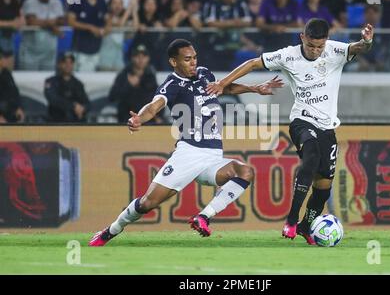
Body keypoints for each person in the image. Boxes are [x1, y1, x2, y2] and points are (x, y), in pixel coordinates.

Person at [88, 39, 283, 246]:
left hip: (213, 157)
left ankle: (203, 217)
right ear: (174, 62)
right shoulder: (172, 85)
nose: (193, 63)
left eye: (195, 58)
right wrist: (139, 119)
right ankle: (110, 231)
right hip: (189, 153)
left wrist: (254, 88)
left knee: (245, 172)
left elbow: (224, 88)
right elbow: (154, 107)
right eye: (187, 59)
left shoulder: (204, 74)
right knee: (147, 203)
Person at [206, 18, 374, 244]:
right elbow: (254, 63)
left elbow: (358, 48)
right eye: (311, 46)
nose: (315, 51)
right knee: (311, 156)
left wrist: (367, 41)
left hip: (327, 127)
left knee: (323, 186)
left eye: (319, 47)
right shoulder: (288, 55)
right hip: (301, 121)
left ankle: (306, 226)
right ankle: (292, 219)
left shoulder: (335, 50)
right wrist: (223, 82)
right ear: (302, 38)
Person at [108, 44, 163, 123]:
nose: (141, 59)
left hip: (147, 120)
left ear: (148, 58)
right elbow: (112, 97)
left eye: (144, 56)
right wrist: (128, 85)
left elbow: (157, 98)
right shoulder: (124, 75)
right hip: (127, 119)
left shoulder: (150, 76)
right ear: (132, 58)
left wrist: (159, 116)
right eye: (137, 56)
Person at [44, 52, 90, 122]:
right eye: (65, 62)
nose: (68, 65)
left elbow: (87, 102)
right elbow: (53, 99)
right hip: (56, 122)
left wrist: (82, 108)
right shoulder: (51, 81)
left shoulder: (78, 83)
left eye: (71, 62)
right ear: (59, 64)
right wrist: (73, 106)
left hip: (74, 123)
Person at [0, 50, 25, 123]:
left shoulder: (7, 74)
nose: (9, 61)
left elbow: (14, 93)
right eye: (5, 58)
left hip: (8, 112)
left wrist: (18, 108)